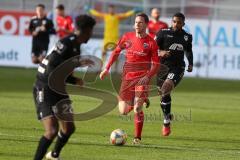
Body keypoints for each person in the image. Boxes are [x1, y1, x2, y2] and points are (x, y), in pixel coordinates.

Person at [33, 15, 96, 160]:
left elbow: (62, 69)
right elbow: (52, 68)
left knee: (69, 128)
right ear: (86, 30)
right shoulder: (66, 43)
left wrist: (75, 74)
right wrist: (74, 76)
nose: (92, 35)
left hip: (59, 89)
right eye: (91, 31)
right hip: (45, 87)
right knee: (52, 131)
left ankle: (54, 155)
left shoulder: (76, 46)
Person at [100, 13, 159, 144]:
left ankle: (137, 138)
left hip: (142, 79)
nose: (137, 25)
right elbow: (116, 52)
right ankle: (141, 99)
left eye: (140, 22)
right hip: (127, 78)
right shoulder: (127, 37)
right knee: (123, 111)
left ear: (146, 24)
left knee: (138, 109)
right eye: (136, 22)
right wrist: (106, 68)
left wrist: (148, 76)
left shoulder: (151, 43)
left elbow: (156, 65)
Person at [155, 12, 193, 136]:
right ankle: (168, 115)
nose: (176, 24)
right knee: (162, 94)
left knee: (165, 89)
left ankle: (166, 122)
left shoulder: (187, 36)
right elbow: (152, 48)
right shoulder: (163, 33)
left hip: (178, 67)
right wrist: (160, 53)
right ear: (172, 21)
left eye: (179, 22)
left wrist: (190, 63)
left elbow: (188, 51)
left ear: (183, 24)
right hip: (162, 67)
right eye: (174, 21)